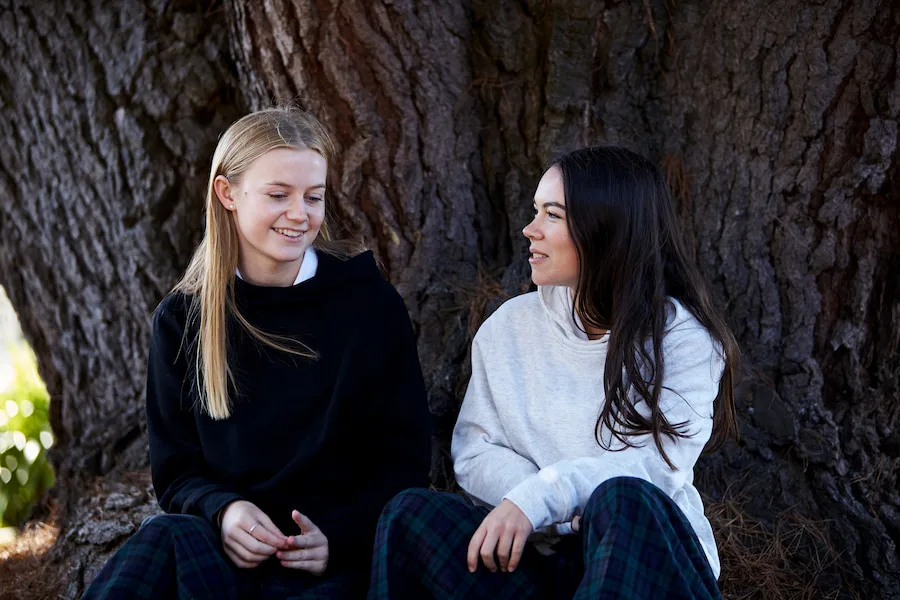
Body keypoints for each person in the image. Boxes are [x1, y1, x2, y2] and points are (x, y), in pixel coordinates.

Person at [84, 107, 432, 599]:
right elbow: (177, 470)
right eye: (277, 195)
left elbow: (404, 461)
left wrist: (337, 538)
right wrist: (223, 510)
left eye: (314, 197)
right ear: (227, 193)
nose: (300, 214)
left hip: (335, 564)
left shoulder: (368, 306)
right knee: (163, 537)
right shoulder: (183, 320)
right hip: (225, 558)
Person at [369, 146, 739, 600]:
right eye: (534, 211)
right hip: (542, 558)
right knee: (412, 517)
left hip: (647, 562)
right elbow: (475, 449)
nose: (530, 229)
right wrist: (537, 508)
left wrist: (540, 498)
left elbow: (655, 469)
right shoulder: (508, 327)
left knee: (622, 498)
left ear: (605, 230)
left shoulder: (682, 339)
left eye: (553, 215)